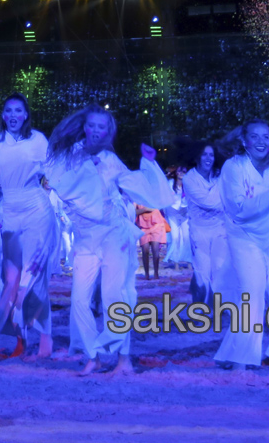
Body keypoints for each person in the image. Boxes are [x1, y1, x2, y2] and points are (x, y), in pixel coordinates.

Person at [45, 105, 173, 376]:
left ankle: (123, 360)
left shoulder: (111, 160)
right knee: (79, 300)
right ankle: (94, 356)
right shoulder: (70, 156)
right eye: (91, 125)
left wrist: (149, 165)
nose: (95, 131)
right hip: (85, 238)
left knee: (115, 296)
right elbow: (57, 178)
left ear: (108, 132)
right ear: (84, 126)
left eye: (101, 127)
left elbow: (136, 186)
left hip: (114, 234)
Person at [214, 120, 269, 369]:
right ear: (244, 141)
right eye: (255, 136)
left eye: (266, 136)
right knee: (252, 294)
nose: (262, 141)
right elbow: (239, 210)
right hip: (245, 237)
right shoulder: (233, 167)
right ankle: (241, 358)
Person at [0, 93, 58, 358]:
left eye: (18, 111)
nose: (13, 115)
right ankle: (20, 338)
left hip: (36, 208)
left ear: (25, 115)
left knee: (32, 278)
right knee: (11, 280)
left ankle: (45, 335)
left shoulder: (37, 139)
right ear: (3, 115)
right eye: (8, 110)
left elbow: (55, 171)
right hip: (10, 211)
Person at [182, 139, 230, 304]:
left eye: (211, 155)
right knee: (202, 270)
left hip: (220, 229)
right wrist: (222, 198)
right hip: (199, 231)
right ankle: (201, 306)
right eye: (204, 155)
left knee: (219, 268)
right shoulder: (189, 179)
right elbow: (210, 202)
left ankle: (217, 305)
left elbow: (226, 200)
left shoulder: (219, 177)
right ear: (197, 157)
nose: (208, 158)